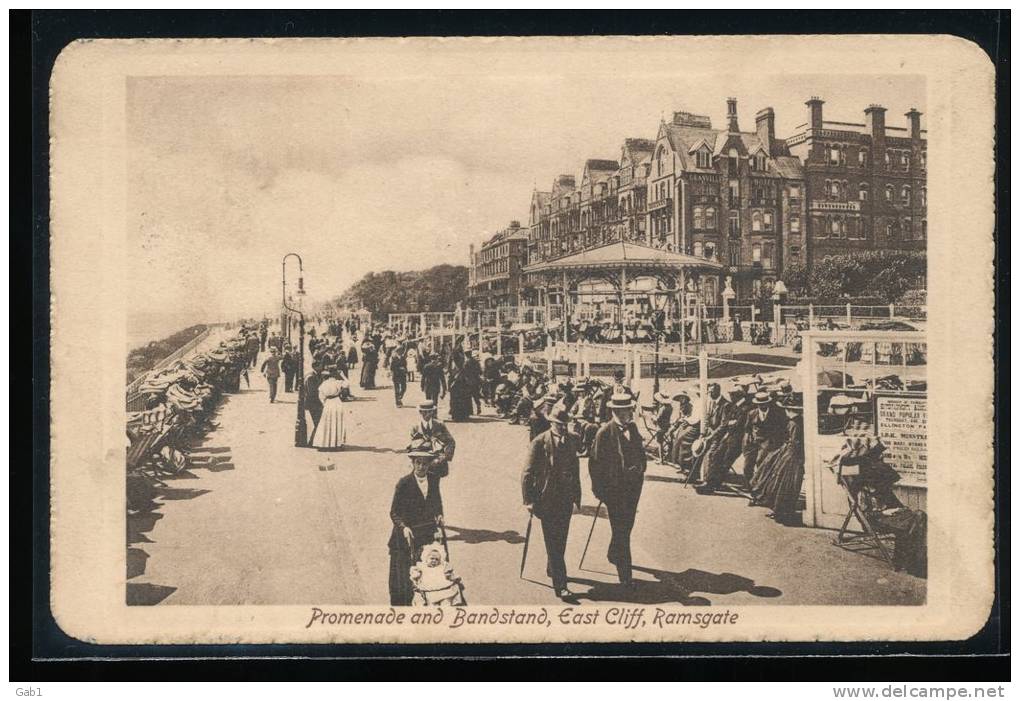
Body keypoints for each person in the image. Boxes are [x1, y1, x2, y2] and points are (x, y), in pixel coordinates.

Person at [521, 407, 581, 599]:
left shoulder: (572, 439)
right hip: (546, 499)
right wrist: (528, 500)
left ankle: (553, 568)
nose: (563, 428)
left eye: (565, 425)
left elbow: (576, 469)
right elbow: (527, 473)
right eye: (559, 425)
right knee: (553, 542)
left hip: (566, 498)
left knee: (560, 540)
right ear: (551, 423)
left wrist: (577, 496)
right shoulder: (539, 442)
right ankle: (560, 585)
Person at [588, 393, 646, 584]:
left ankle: (614, 553)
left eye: (629, 409)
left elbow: (640, 453)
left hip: (633, 489)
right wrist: (600, 491)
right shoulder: (604, 433)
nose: (628, 413)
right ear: (615, 411)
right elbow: (594, 465)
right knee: (621, 531)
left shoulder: (633, 428)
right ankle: (625, 576)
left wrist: (640, 469)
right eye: (624, 410)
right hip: (614, 492)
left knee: (626, 526)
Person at [388, 440, 445, 606]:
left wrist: (439, 515)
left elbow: (437, 502)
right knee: (404, 578)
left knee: (428, 570)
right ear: (412, 463)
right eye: (418, 463)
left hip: (425, 533)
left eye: (425, 463)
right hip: (405, 536)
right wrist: (404, 527)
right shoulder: (404, 483)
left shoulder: (434, 480)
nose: (421, 467)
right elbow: (394, 512)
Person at [749, 396, 805, 524]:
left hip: (791, 455)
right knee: (784, 483)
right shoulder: (798, 421)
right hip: (790, 454)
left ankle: (782, 512)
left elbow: (795, 442)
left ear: (789, 410)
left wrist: (786, 449)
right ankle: (781, 511)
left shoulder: (793, 423)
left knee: (784, 483)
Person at [696, 382, 750, 494]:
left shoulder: (745, 408)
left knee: (725, 461)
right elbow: (727, 423)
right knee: (716, 456)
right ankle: (709, 483)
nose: (730, 396)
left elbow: (737, 425)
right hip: (728, 437)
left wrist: (730, 423)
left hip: (738, 440)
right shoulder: (734, 406)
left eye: (732, 394)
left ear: (738, 395)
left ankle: (713, 485)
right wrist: (730, 423)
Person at [741, 391, 788, 489]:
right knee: (747, 465)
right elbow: (747, 428)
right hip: (753, 442)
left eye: (763, 404)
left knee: (761, 462)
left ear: (767, 403)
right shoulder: (752, 413)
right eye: (759, 404)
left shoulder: (776, 413)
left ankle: (760, 486)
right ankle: (749, 485)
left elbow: (782, 429)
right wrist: (747, 439)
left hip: (768, 442)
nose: (761, 406)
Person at [409, 401, 456, 478]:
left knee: (434, 486)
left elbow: (451, 442)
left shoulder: (440, 425)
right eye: (424, 412)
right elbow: (413, 447)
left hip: (437, 463)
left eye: (429, 411)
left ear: (432, 412)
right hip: (421, 465)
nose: (427, 414)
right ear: (420, 412)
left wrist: (443, 457)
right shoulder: (415, 427)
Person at [312, 365, 348, 450]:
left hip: (328, 403)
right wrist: (343, 376)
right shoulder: (338, 382)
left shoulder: (324, 384)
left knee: (326, 423)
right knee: (337, 422)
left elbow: (320, 396)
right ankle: (336, 443)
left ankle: (325, 443)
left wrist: (325, 403)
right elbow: (347, 384)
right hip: (337, 402)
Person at [303, 360, 326, 443]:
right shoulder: (311, 377)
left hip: (314, 403)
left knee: (318, 423)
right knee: (318, 423)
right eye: (320, 366)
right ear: (315, 367)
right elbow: (312, 392)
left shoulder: (315, 375)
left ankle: (314, 441)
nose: (322, 367)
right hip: (313, 403)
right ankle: (312, 441)